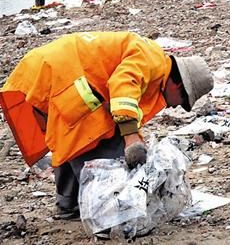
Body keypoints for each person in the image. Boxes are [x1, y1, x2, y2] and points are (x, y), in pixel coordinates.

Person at [0, 31, 214, 222]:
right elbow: (122, 87)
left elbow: (122, 104)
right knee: (93, 136)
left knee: (69, 135)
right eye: (182, 100)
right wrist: (131, 138)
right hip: (58, 75)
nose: (175, 105)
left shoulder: (153, 61)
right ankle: (99, 210)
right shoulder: (152, 60)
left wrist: (133, 135)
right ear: (178, 84)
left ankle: (68, 205)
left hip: (48, 70)